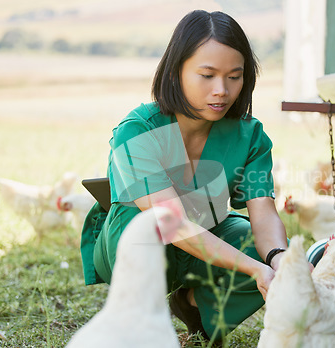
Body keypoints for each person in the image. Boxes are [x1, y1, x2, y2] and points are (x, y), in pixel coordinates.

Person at [80, 9, 291, 343]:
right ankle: (138, 320)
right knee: (147, 223)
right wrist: (254, 269)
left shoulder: (250, 137)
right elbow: (171, 222)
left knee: (269, 251)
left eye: (234, 76)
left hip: (207, 228)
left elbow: (263, 213)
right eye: (207, 75)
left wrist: (279, 260)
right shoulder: (136, 130)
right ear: (176, 72)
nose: (221, 90)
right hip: (138, 241)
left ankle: (194, 305)